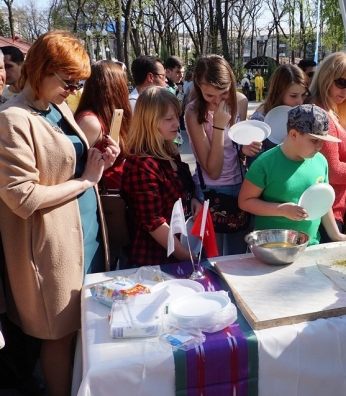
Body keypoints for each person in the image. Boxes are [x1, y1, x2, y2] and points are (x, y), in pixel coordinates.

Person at [0, 30, 120, 396]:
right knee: (59, 335)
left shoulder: (58, 107)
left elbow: (68, 163)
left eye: (79, 82)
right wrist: (86, 181)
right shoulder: (11, 119)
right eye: (69, 81)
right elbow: (21, 197)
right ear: (41, 70)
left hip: (84, 235)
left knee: (85, 325)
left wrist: (98, 157)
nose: (74, 89)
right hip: (48, 249)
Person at [239, 104, 346, 245]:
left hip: (310, 245)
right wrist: (281, 210)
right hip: (273, 247)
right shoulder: (265, 163)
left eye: (322, 141)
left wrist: (335, 234)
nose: (319, 146)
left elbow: (323, 201)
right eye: (314, 140)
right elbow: (245, 201)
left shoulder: (321, 161)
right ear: (293, 135)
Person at [185, 55, 261, 255]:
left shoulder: (241, 101)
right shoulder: (193, 113)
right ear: (199, 87)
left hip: (240, 186)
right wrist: (218, 125)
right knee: (213, 259)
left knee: (238, 256)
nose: (218, 102)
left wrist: (243, 149)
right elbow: (214, 170)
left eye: (224, 93)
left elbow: (234, 148)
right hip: (212, 190)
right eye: (210, 95)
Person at [121, 87, 200, 267]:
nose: (176, 124)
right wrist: (188, 257)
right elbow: (154, 223)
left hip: (179, 251)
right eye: (169, 119)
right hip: (154, 262)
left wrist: (192, 200)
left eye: (176, 117)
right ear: (150, 122)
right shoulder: (141, 164)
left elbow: (181, 190)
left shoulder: (169, 152)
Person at [306, 52, 346, 236]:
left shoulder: (329, 110)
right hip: (324, 213)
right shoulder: (321, 113)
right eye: (342, 83)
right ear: (326, 78)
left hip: (329, 209)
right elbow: (332, 171)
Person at [75, 60, 132, 189]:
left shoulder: (110, 116)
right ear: (115, 87)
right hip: (101, 200)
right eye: (124, 83)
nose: (127, 88)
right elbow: (75, 170)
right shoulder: (91, 123)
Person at [250, 64, 309, 154]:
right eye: (293, 96)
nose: (300, 102)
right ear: (278, 93)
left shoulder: (304, 115)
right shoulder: (260, 120)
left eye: (303, 95)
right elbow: (255, 162)